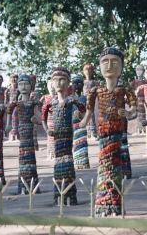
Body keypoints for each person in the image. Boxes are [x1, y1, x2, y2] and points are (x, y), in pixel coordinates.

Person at [80, 48, 136, 217]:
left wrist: (128, 113)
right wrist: (83, 121)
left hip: (117, 132)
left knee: (115, 166)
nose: (110, 65)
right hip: (103, 133)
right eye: (105, 62)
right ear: (99, 66)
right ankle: (103, 202)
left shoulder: (123, 90)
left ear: (121, 67)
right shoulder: (96, 91)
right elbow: (89, 111)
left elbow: (133, 106)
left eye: (115, 62)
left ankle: (115, 202)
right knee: (104, 166)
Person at [42, 67, 85, 205]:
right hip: (57, 137)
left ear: (68, 83)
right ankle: (59, 195)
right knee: (58, 163)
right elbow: (43, 116)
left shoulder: (71, 101)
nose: (58, 83)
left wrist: (80, 117)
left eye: (62, 80)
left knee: (67, 162)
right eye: (56, 80)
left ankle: (70, 196)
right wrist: (47, 129)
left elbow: (84, 112)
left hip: (67, 136)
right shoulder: (51, 102)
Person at [6, 74, 42, 194]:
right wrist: (9, 124)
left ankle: (32, 184)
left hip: (29, 130)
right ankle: (22, 185)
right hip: (22, 130)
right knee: (23, 155)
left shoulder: (33, 102)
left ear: (31, 86)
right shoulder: (16, 103)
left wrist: (39, 121)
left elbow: (43, 110)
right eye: (21, 84)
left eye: (26, 84)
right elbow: (9, 111)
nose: (24, 86)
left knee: (30, 155)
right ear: (18, 87)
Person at [70, 74, 90, 169]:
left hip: (82, 123)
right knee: (74, 142)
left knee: (82, 142)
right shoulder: (69, 99)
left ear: (82, 85)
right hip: (72, 124)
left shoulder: (85, 98)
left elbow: (88, 112)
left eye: (79, 83)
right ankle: (76, 161)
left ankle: (83, 162)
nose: (77, 86)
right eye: (74, 83)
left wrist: (82, 116)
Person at [40, 80, 56, 159]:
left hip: (57, 119)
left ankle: (56, 154)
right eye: (50, 85)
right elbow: (41, 107)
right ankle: (50, 154)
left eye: (53, 85)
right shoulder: (45, 97)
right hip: (49, 119)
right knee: (50, 137)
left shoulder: (58, 97)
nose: (52, 87)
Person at [82, 64, 99, 140]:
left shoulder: (94, 82)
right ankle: (88, 134)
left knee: (92, 116)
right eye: (86, 70)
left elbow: (99, 90)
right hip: (85, 101)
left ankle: (93, 133)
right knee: (86, 117)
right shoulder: (82, 82)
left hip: (93, 101)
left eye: (90, 70)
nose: (88, 71)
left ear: (93, 71)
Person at [129, 65, 147, 135]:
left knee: (144, 114)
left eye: (140, 70)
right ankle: (138, 130)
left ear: (143, 71)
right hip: (137, 99)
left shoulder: (145, 81)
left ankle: (144, 129)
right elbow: (130, 91)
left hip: (145, 100)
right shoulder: (133, 82)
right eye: (137, 70)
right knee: (138, 115)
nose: (139, 72)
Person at [4, 74, 20, 141]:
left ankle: (16, 135)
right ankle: (11, 136)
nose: (14, 80)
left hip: (16, 106)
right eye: (12, 79)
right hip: (10, 106)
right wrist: (5, 94)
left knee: (16, 120)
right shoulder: (8, 90)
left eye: (15, 78)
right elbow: (5, 101)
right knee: (9, 120)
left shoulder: (19, 90)